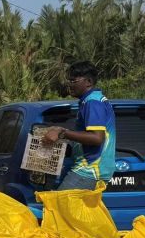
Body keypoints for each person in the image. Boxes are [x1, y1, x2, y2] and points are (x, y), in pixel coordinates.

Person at [41, 60, 116, 190]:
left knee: (59, 202)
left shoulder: (93, 102)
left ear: (88, 82)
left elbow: (97, 138)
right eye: (69, 81)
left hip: (89, 170)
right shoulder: (90, 100)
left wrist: (62, 133)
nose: (69, 85)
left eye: (73, 81)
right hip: (91, 169)